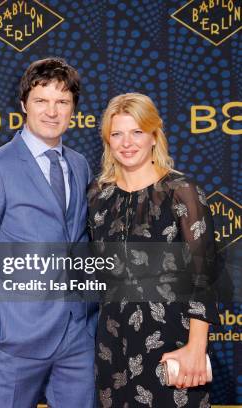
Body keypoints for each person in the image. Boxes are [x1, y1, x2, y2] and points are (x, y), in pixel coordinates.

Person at [0, 57, 98, 408]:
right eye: (41, 101)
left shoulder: (79, 165)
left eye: (62, 102)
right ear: (23, 105)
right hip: (14, 339)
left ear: (73, 109)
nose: (52, 111)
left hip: (77, 336)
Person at [87, 93, 219, 407]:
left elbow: (204, 276)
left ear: (154, 136)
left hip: (172, 343)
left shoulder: (182, 193)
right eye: (117, 134)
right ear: (108, 140)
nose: (127, 143)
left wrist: (196, 348)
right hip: (112, 346)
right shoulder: (98, 196)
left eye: (136, 132)